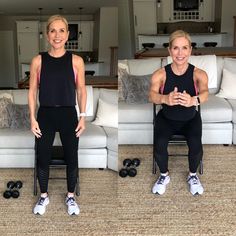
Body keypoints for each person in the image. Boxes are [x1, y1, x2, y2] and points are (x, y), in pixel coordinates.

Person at [28, 15, 87, 215]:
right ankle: (43, 196)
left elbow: (81, 90)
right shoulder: (38, 60)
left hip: (69, 113)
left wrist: (83, 116)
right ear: (47, 34)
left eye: (62, 30)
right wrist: (32, 118)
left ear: (68, 34)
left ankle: (71, 197)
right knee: (42, 157)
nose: (57, 35)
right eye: (53, 30)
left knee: (72, 157)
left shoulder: (76, 60)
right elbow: (32, 92)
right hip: (44, 114)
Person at [149, 30, 208, 196]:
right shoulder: (160, 74)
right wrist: (165, 98)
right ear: (169, 51)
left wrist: (193, 100)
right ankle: (164, 175)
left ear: (190, 50)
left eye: (184, 48)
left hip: (190, 119)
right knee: (159, 144)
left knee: (196, 145)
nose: (180, 53)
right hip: (167, 118)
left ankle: (192, 176)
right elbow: (151, 95)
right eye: (176, 48)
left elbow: (205, 94)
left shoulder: (199, 74)